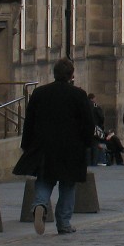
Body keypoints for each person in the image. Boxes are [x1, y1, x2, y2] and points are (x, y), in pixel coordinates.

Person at [13, 58, 95, 236]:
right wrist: (87, 144)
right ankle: (64, 223)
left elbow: (30, 122)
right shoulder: (79, 95)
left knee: (45, 179)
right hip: (71, 147)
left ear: (54, 73)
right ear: (71, 75)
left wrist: (26, 144)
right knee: (68, 184)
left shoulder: (40, 93)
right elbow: (88, 123)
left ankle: (40, 205)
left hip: (45, 145)